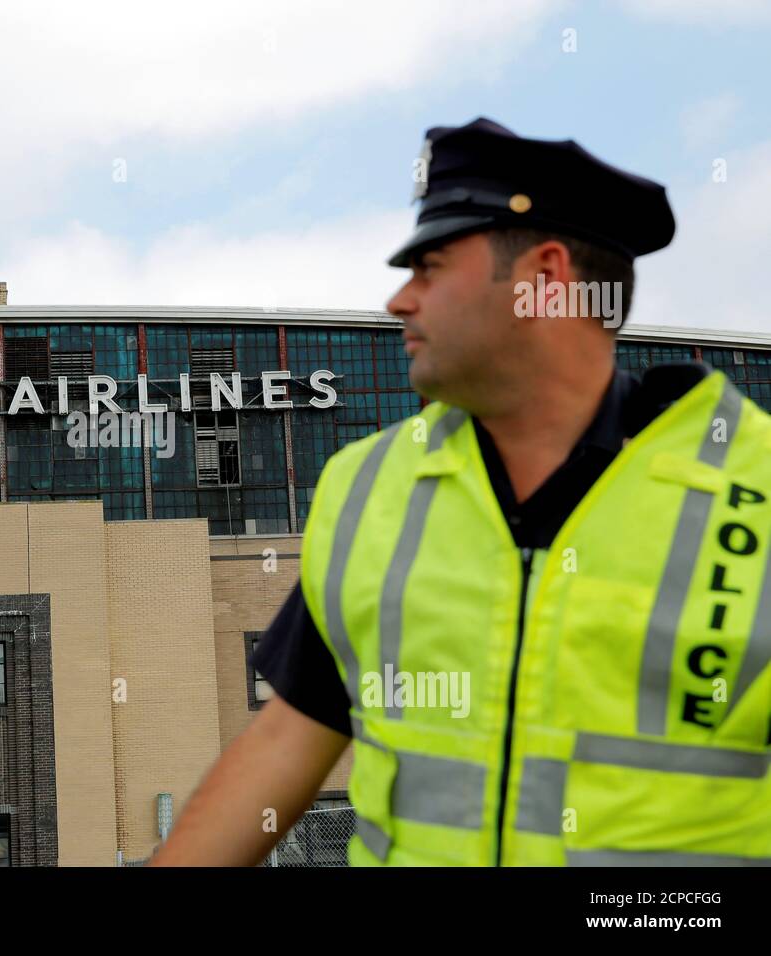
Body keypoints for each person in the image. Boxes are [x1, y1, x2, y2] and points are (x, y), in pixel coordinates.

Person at [151, 117, 771, 867]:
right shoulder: (368, 488)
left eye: (430, 267)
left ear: (544, 281)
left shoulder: (754, 490)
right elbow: (287, 738)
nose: (398, 302)